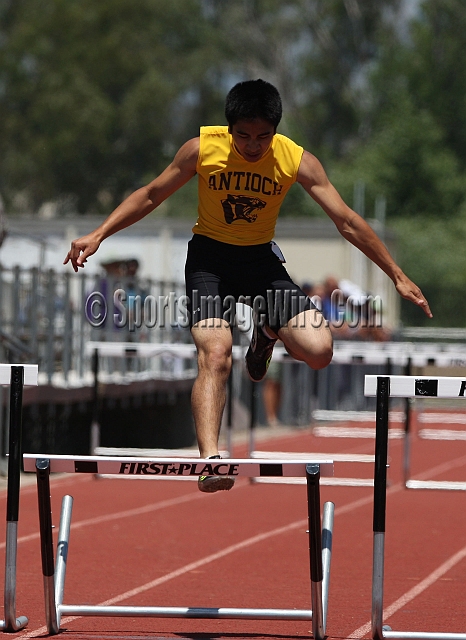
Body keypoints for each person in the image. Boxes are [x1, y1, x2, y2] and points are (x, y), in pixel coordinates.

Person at [64, 79, 432, 493]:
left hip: (260, 262)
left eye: (263, 137)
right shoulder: (202, 150)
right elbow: (151, 195)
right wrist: (99, 234)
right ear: (229, 128)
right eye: (243, 136)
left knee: (319, 351)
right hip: (210, 262)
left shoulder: (296, 160)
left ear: (275, 131)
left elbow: (345, 220)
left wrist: (396, 274)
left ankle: (266, 334)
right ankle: (211, 459)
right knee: (216, 354)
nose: (253, 146)